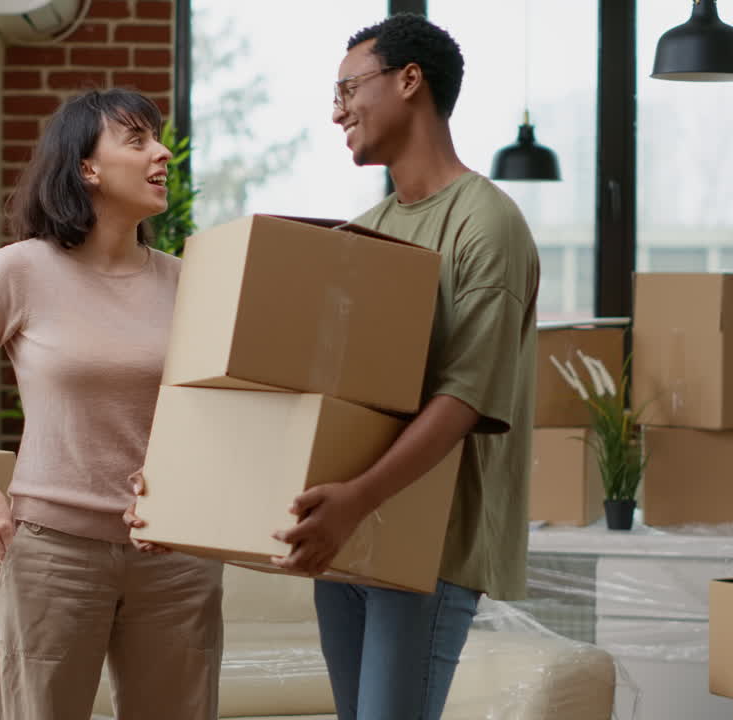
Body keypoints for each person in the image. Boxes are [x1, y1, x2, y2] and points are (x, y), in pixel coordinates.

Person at [0, 88, 222, 720]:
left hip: (173, 559)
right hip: (53, 555)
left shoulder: (189, 281)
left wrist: (185, 490)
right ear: (88, 167)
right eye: (137, 140)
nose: (161, 152)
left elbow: (217, 409)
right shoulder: (22, 270)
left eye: (158, 138)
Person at [271, 13, 540, 720]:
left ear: (408, 80)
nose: (337, 112)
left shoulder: (486, 223)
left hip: (429, 547)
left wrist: (356, 497)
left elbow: (466, 397)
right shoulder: (375, 230)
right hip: (351, 537)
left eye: (348, 88)